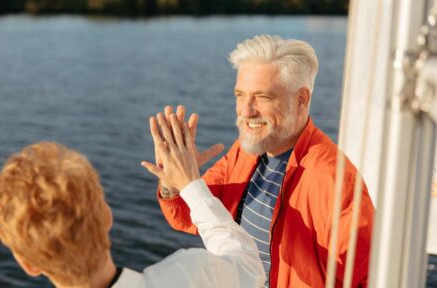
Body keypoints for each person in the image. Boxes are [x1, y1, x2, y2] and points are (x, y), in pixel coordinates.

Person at [152, 35, 375, 287]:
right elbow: (191, 215)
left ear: (301, 99)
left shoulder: (333, 180)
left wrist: (189, 182)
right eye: (240, 95)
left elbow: (369, 279)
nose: (245, 111)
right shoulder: (245, 152)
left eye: (262, 97)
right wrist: (173, 182)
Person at [0, 128, 265, 287]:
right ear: (107, 217)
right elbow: (247, 267)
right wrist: (190, 184)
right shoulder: (187, 274)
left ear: (27, 263)